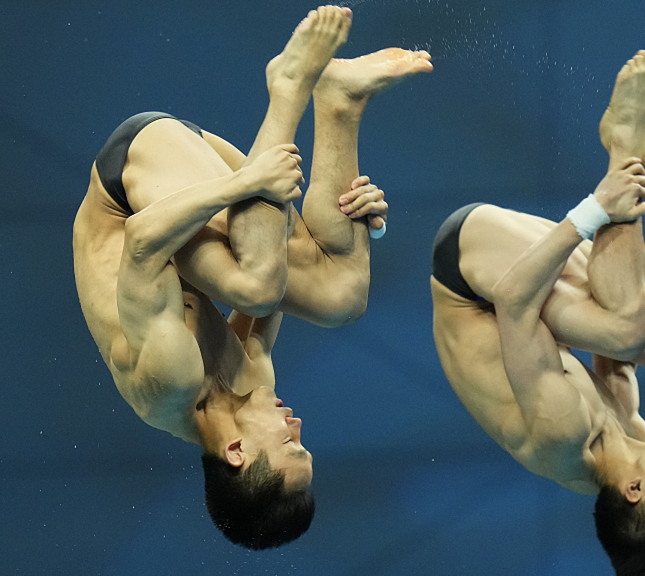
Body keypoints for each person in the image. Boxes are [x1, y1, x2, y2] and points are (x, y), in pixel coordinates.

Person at [73, 6, 432, 550]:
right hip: (198, 180)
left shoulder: (167, 386)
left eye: (291, 445)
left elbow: (144, 241)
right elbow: (290, 263)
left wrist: (242, 186)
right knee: (343, 297)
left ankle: (288, 86)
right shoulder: (253, 382)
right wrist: (360, 223)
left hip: (132, 177)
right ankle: (339, 100)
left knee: (254, 286)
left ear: (237, 454)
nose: (299, 426)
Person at [430, 51, 645, 575]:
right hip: (535, 288)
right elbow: (620, 337)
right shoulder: (630, 435)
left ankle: (624, 146)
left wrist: (595, 209)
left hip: (470, 271)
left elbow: (516, 303)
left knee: (625, 329)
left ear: (635, 490)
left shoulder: (562, 438)